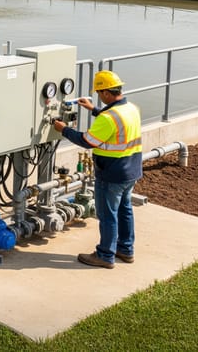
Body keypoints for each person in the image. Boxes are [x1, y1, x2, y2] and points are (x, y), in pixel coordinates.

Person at [53, 70, 143, 269]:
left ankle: (105, 255)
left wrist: (63, 129)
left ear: (107, 94)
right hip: (131, 171)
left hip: (112, 173)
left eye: (100, 93)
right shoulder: (131, 108)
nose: (99, 96)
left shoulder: (108, 118)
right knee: (124, 211)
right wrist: (94, 109)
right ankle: (126, 250)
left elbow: (87, 141)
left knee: (108, 215)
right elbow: (115, 122)